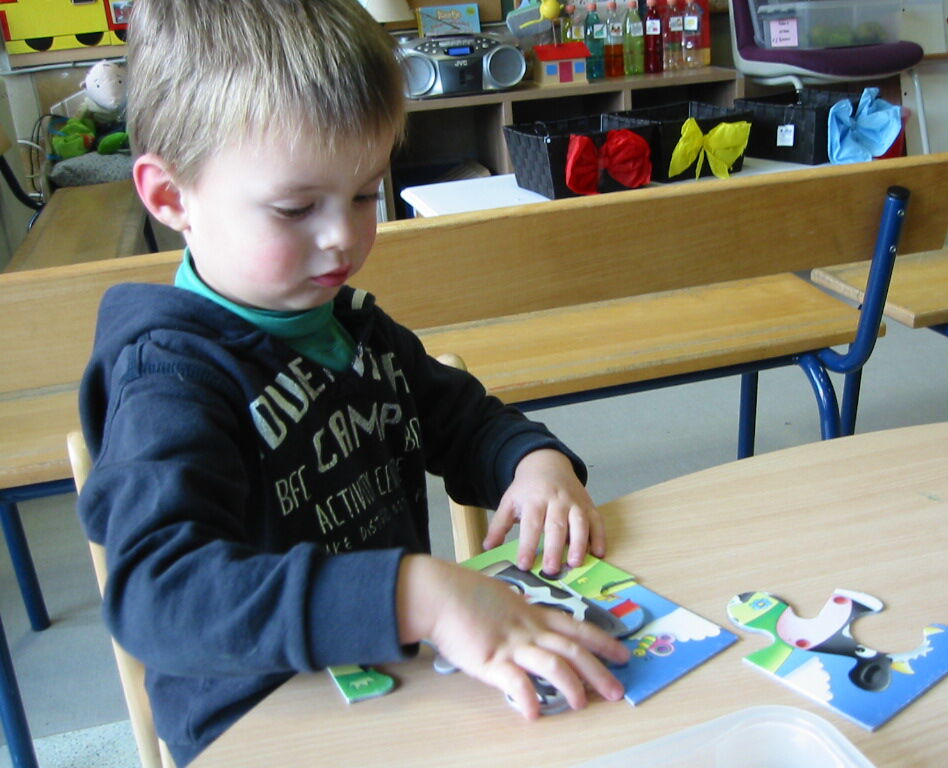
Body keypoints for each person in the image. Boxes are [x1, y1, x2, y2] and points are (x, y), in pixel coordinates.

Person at [76, 0, 629, 763]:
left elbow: (465, 421)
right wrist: (417, 595)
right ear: (172, 198)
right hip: (261, 726)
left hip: (399, 680)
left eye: (365, 193)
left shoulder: (354, 326)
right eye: (296, 207)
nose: (343, 236)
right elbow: (158, 595)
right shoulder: (167, 380)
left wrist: (535, 464)